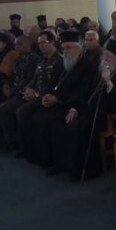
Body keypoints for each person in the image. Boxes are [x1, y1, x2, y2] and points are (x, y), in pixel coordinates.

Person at [49, 39, 116, 180]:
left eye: (110, 56)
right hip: (88, 109)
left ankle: (84, 170)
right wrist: (75, 108)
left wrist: (109, 83)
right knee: (60, 121)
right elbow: (84, 92)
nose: (105, 58)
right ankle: (63, 164)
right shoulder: (97, 70)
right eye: (104, 55)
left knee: (79, 128)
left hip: (108, 115)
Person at [22, 30, 95, 169]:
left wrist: (59, 100)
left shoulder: (86, 65)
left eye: (69, 47)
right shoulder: (63, 63)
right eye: (63, 48)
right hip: (59, 102)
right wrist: (47, 96)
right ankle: (41, 158)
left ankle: (56, 164)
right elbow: (53, 83)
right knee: (35, 117)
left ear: (78, 48)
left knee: (51, 123)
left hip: (74, 105)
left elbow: (83, 91)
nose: (65, 51)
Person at [0, 30, 63, 153]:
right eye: (39, 43)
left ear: (52, 42)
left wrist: (36, 94)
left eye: (43, 42)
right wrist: (27, 89)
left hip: (45, 97)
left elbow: (53, 85)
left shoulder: (58, 60)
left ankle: (25, 147)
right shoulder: (43, 60)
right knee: (4, 108)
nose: (41, 46)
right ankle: (13, 142)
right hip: (33, 94)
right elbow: (34, 79)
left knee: (21, 111)